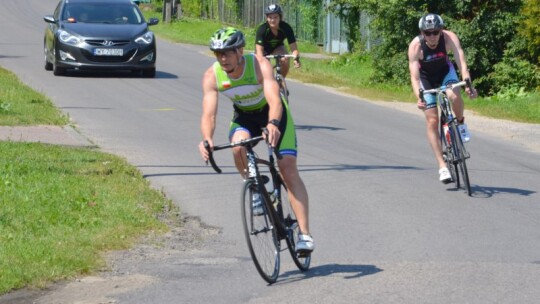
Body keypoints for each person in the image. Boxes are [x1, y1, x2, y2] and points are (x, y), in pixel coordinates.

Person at [198, 27, 314, 254]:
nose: (222, 58)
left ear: (240, 50)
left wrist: (272, 124)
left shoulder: (259, 65)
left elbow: (275, 100)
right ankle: (255, 187)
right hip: (245, 117)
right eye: (218, 53)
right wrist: (207, 139)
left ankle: (305, 234)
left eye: (228, 52)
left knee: (287, 169)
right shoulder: (212, 76)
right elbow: (209, 114)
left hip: (273, 113)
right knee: (237, 146)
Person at [408, 13, 477, 183]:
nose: (432, 36)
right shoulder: (416, 46)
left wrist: (468, 84)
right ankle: (442, 166)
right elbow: (415, 77)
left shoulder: (449, 38)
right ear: (422, 33)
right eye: (428, 33)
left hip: (446, 72)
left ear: (441, 30)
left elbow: (461, 63)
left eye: (435, 32)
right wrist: (419, 96)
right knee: (432, 121)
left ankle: (460, 123)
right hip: (426, 79)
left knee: (454, 94)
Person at [255, 4, 301, 78]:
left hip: (278, 47)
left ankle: (281, 82)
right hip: (264, 49)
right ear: (266, 18)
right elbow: (259, 51)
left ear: (280, 17)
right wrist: (262, 62)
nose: (273, 20)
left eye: (275, 17)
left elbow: (293, 48)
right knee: (265, 69)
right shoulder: (262, 30)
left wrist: (296, 59)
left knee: (285, 60)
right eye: (270, 17)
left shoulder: (286, 28)